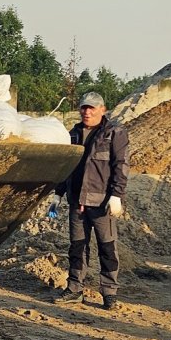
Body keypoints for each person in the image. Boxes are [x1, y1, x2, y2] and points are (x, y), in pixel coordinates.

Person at [49, 91, 129, 311]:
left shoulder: (114, 133)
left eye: (92, 108)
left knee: (107, 248)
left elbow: (120, 166)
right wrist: (58, 194)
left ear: (103, 109)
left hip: (102, 203)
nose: (87, 112)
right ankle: (74, 289)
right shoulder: (73, 134)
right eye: (84, 107)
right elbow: (65, 167)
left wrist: (117, 195)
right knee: (77, 248)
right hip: (77, 203)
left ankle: (109, 293)